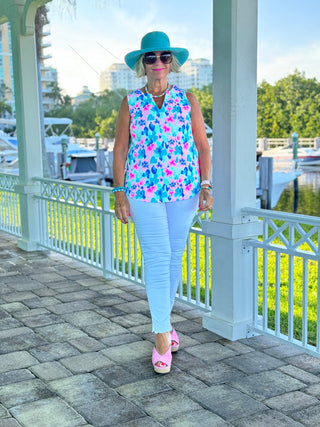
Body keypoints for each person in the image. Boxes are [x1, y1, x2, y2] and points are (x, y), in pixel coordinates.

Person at [112, 31, 213, 374]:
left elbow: (202, 146)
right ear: (143, 63)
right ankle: (160, 336)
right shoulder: (130, 102)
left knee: (173, 259)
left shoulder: (188, 100)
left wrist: (205, 184)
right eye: (151, 57)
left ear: (172, 63)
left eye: (164, 56)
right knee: (157, 257)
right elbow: (121, 149)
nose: (158, 63)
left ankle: (167, 325)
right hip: (143, 192)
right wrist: (119, 191)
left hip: (183, 191)